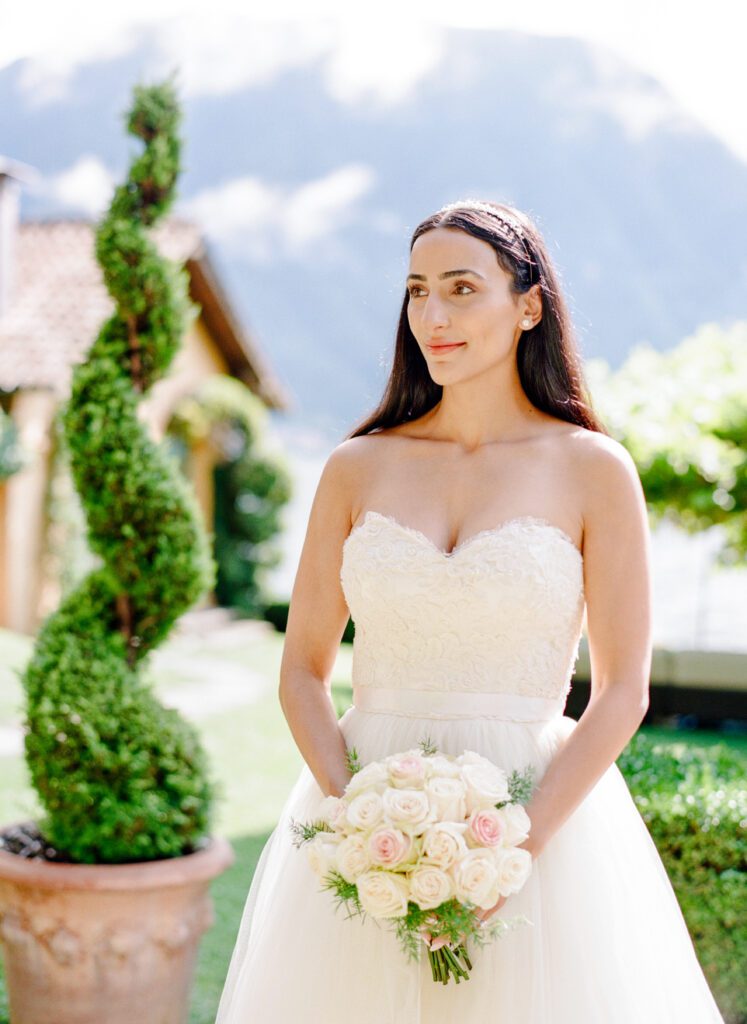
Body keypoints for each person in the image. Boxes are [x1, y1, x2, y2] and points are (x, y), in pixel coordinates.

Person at [215, 199, 726, 1022]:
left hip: (538, 817)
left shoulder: (593, 469)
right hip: (364, 817)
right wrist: (360, 823)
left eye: (460, 288)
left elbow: (622, 689)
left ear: (528, 305)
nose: (433, 315)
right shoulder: (356, 467)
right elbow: (302, 673)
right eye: (417, 290)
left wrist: (516, 842)